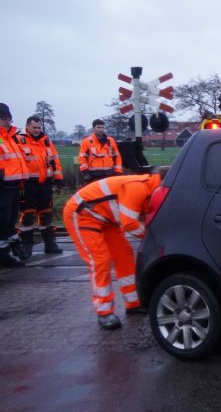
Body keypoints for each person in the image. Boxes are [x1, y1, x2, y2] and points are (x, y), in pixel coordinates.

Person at [63, 168, 164, 329]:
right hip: (82, 214)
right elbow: (129, 223)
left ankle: (133, 303)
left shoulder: (150, 189)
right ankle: (104, 312)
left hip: (106, 219)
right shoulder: (138, 188)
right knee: (100, 260)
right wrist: (152, 239)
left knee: (124, 254)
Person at [13, 115, 64, 258]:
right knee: (28, 215)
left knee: (46, 213)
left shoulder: (46, 140)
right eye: (34, 127)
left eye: (39, 127)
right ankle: (27, 246)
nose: (37, 130)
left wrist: (58, 178)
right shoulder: (18, 139)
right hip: (27, 183)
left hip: (45, 183)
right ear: (27, 126)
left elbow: (55, 160)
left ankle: (50, 244)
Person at [0, 103, 30, 268]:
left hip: (13, 185)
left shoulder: (10, 137)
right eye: (3, 118)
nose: (7, 122)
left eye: (8, 118)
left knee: (9, 220)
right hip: (3, 186)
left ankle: (5, 255)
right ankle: (4, 255)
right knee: (3, 221)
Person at [78, 119, 122, 184]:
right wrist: (85, 173)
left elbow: (117, 156)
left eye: (103, 127)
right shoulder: (86, 141)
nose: (101, 129)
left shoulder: (110, 140)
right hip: (93, 175)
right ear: (93, 128)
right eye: (98, 127)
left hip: (109, 173)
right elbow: (82, 158)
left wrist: (118, 171)